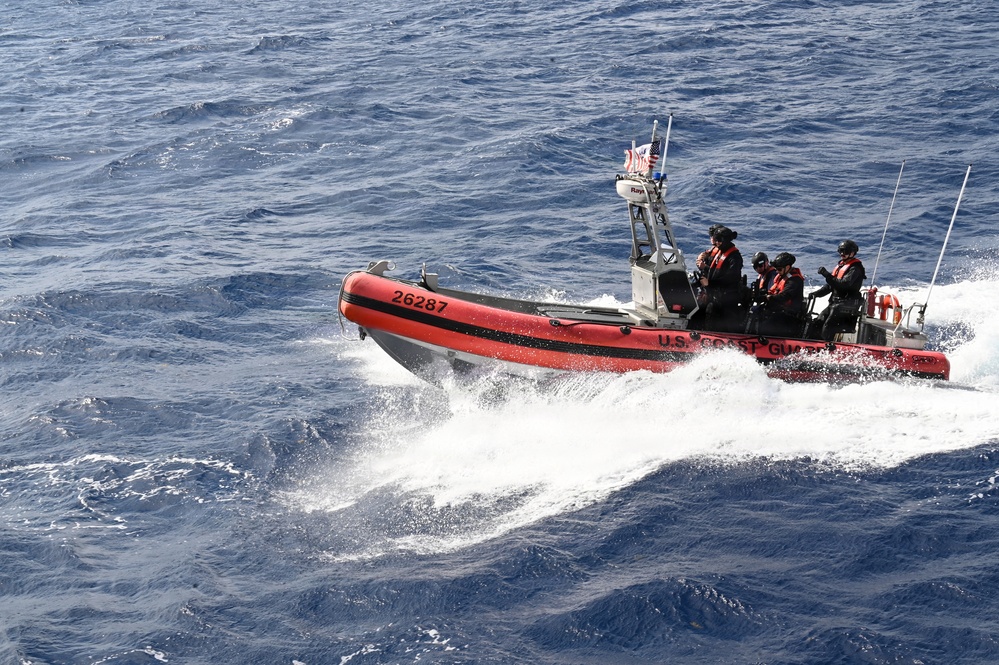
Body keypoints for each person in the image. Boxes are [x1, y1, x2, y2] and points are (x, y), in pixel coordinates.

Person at [807, 239, 867, 341]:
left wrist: (827, 275)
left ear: (852, 253)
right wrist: (816, 294)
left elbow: (843, 284)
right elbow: (831, 286)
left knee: (828, 326)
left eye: (845, 251)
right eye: (841, 251)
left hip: (846, 305)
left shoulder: (855, 268)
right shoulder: (841, 266)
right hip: (835, 304)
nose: (842, 254)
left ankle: (827, 346)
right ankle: (811, 343)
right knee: (818, 322)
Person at [698, 225, 744, 332]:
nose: (716, 243)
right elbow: (712, 271)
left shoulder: (735, 258)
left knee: (726, 324)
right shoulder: (719, 253)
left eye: (718, 241)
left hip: (727, 299)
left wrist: (710, 283)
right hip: (715, 296)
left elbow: (730, 279)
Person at [759, 252, 806, 337]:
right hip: (780, 310)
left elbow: (784, 296)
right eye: (776, 269)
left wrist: (769, 298)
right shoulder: (781, 277)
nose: (777, 271)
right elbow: (773, 291)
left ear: (787, 267)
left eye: (779, 269)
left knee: (767, 324)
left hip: (790, 315)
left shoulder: (794, 281)